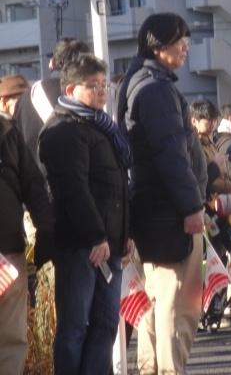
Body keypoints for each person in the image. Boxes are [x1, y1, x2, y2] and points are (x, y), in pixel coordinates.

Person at [117, 13, 207, 374]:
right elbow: (171, 153)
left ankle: (153, 368)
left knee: (156, 300)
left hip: (151, 208)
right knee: (178, 304)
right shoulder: (155, 88)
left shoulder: (139, 80)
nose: (186, 48)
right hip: (169, 211)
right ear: (158, 46)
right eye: (180, 41)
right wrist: (190, 206)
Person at [39, 54, 130, 374]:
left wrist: (124, 234)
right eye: (92, 86)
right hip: (81, 244)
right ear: (70, 89)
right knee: (74, 328)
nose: (101, 91)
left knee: (105, 324)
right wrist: (96, 236)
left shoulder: (100, 125)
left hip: (109, 242)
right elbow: (73, 189)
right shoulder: (64, 129)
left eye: (104, 85)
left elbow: (115, 185)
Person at [0, 88, 54, 373]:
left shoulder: (8, 130)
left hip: (10, 250)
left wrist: (46, 227)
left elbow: (33, 184)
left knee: (13, 337)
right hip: (8, 247)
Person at [14, 38, 89, 173]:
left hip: (37, 184)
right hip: (79, 179)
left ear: (52, 63)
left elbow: (16, 146)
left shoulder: (28, 96)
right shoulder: (88, 95)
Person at [190, 99, 231, 197]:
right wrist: (228, 187)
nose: (213, 125)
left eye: (214, 120)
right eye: (208, 121)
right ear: (194, 121)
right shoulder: (192, 144)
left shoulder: (210, 142)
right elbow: (203, 177)